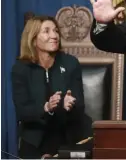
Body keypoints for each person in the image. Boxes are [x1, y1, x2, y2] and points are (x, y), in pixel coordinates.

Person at [11, 15, 92, 159]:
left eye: (55, 31)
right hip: (35, 139)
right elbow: (23, 111)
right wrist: (46, 108)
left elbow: (80, 104)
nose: (54, 35)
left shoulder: (70, 63)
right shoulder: (21, 69)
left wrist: (70, 105)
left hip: (67, 135)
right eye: (46, 31)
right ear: (33, 39)